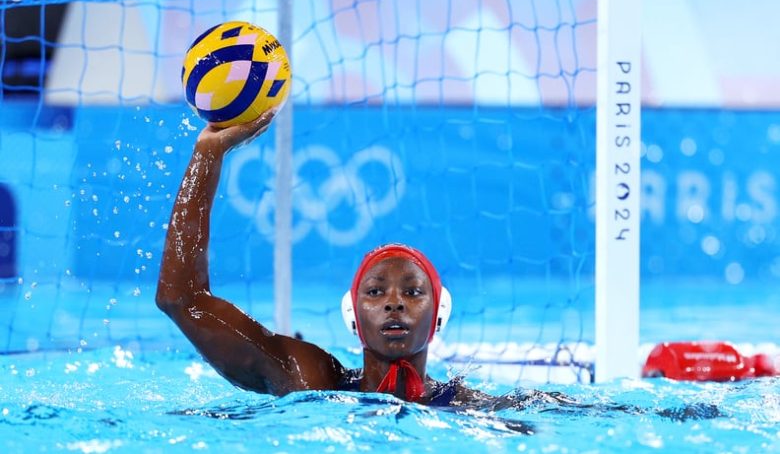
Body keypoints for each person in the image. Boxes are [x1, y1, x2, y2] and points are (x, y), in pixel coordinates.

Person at [155, 112, 722, 421]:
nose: (395, 302)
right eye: (376, 292)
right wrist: (209, 154)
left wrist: (687, 411)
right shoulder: (308, 378)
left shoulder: (467, 407)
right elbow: (181, 299)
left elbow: (593, 412)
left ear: (439, 313)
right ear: (353, 316)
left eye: (412, 291)